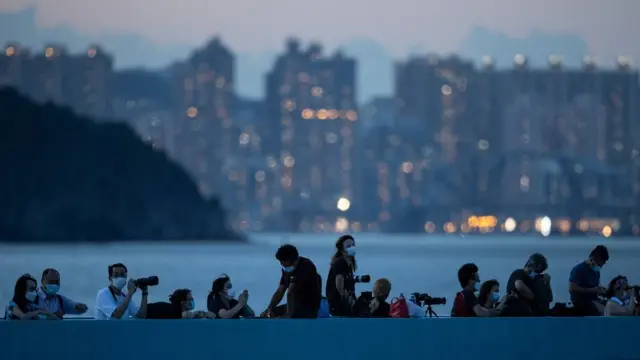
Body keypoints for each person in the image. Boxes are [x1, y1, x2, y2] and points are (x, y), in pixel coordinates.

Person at [262, 244, 321, 318]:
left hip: (308, 308)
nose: (282, 264)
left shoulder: (306, 266)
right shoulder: (287, 269)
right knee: (270, 314)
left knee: (281, 316)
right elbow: (280, 291)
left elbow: (290, 292)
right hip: (295, 305)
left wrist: (288, 314)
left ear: (293, 260)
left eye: (283, 262)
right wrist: (269, 308)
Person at [569, 245, 609, 316]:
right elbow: (572, 288)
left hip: (594, 300)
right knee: (606, 311)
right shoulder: (578, 270)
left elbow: (594, 288)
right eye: (600, 264)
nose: (600, 267)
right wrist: (592, 290)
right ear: (593, 259)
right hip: (582, 303)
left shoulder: (596, 271)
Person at [326, 235, 357, 316]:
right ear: (341, 248)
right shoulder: (340, 262)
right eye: (348, 246)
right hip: (338, 304)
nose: (352, 247)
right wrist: (349, 300)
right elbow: (339, 286)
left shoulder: (348, 263)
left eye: (353, 245)